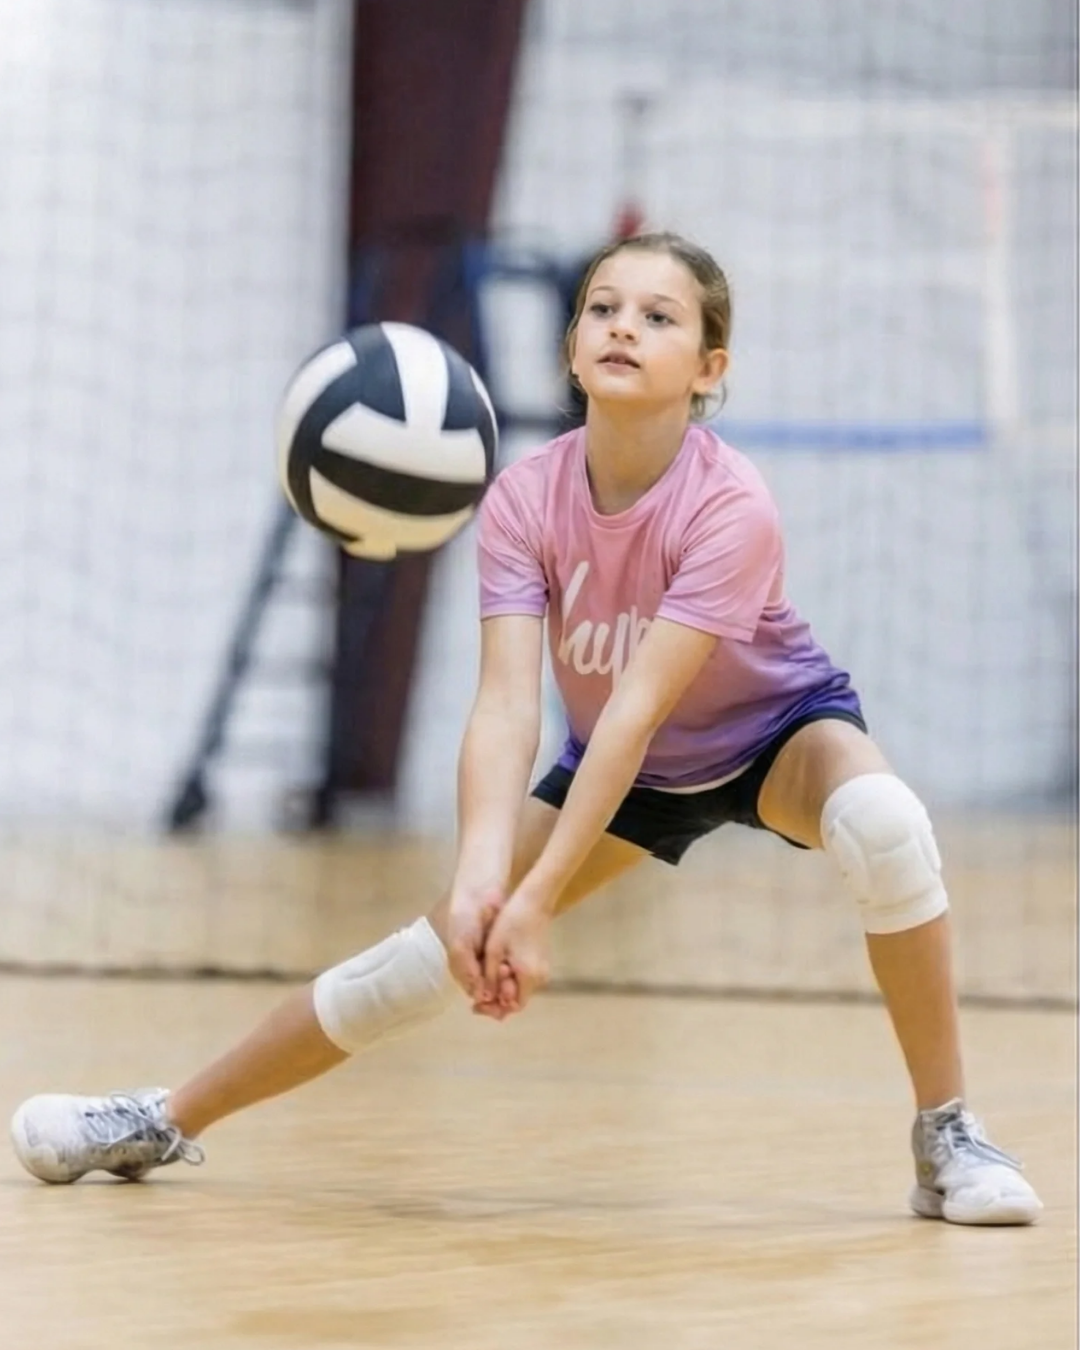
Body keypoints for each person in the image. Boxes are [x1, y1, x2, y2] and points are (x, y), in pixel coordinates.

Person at [10, 231, 1041, 1226]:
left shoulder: (733, 504)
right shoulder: (522, 498)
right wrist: (479, 882)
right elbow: (506, 703)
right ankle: (158, 1120)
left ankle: (946, 1133)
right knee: (426, 959)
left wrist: (536, 901)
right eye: (602, 308)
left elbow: (639, 705)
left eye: (657, 315)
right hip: (622, 771)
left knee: (886, 825)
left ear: (708, 366)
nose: (621, 327)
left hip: (774, 732)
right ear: (572, 348)